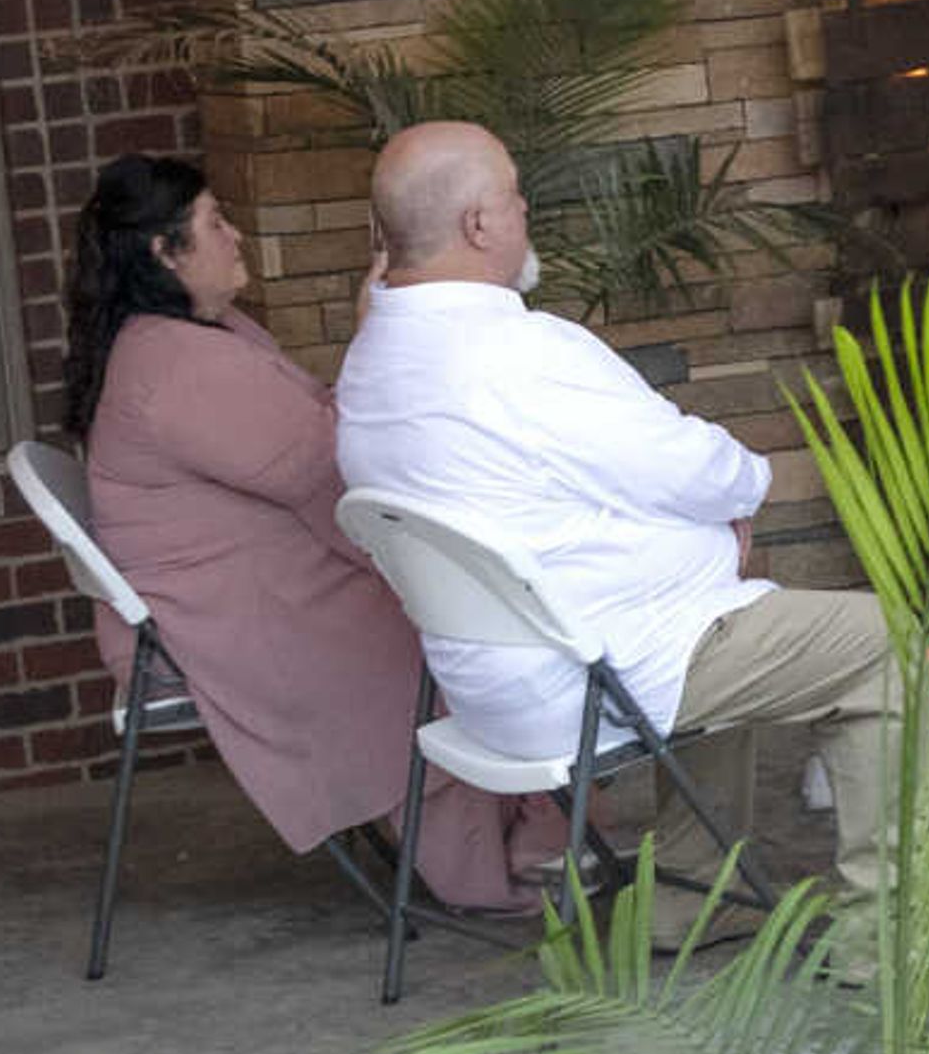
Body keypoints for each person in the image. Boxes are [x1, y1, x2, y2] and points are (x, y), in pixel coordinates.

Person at [332, 120, 901, 970]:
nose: (527, 213)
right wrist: (742, 495)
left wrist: (703, 537)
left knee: (739, 615)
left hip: (490, 687)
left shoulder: (372, 358)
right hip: (593, 676)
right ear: (482, 224)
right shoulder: (520, 352)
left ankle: (690, 893)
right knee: (889, 642)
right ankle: (888, 938)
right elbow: (687, 466)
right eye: (518, 195)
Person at [64, 154, 561, 914]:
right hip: (235, 623)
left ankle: (527, 820)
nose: (237, 237)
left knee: (441, 599)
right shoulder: (172, 366)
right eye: (215, 224)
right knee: (443, 621)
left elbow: (316, 453)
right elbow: (326, 468)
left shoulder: (189, 336)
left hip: (244, 591)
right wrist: (375, 335)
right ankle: (492, 860)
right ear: (165, 252)